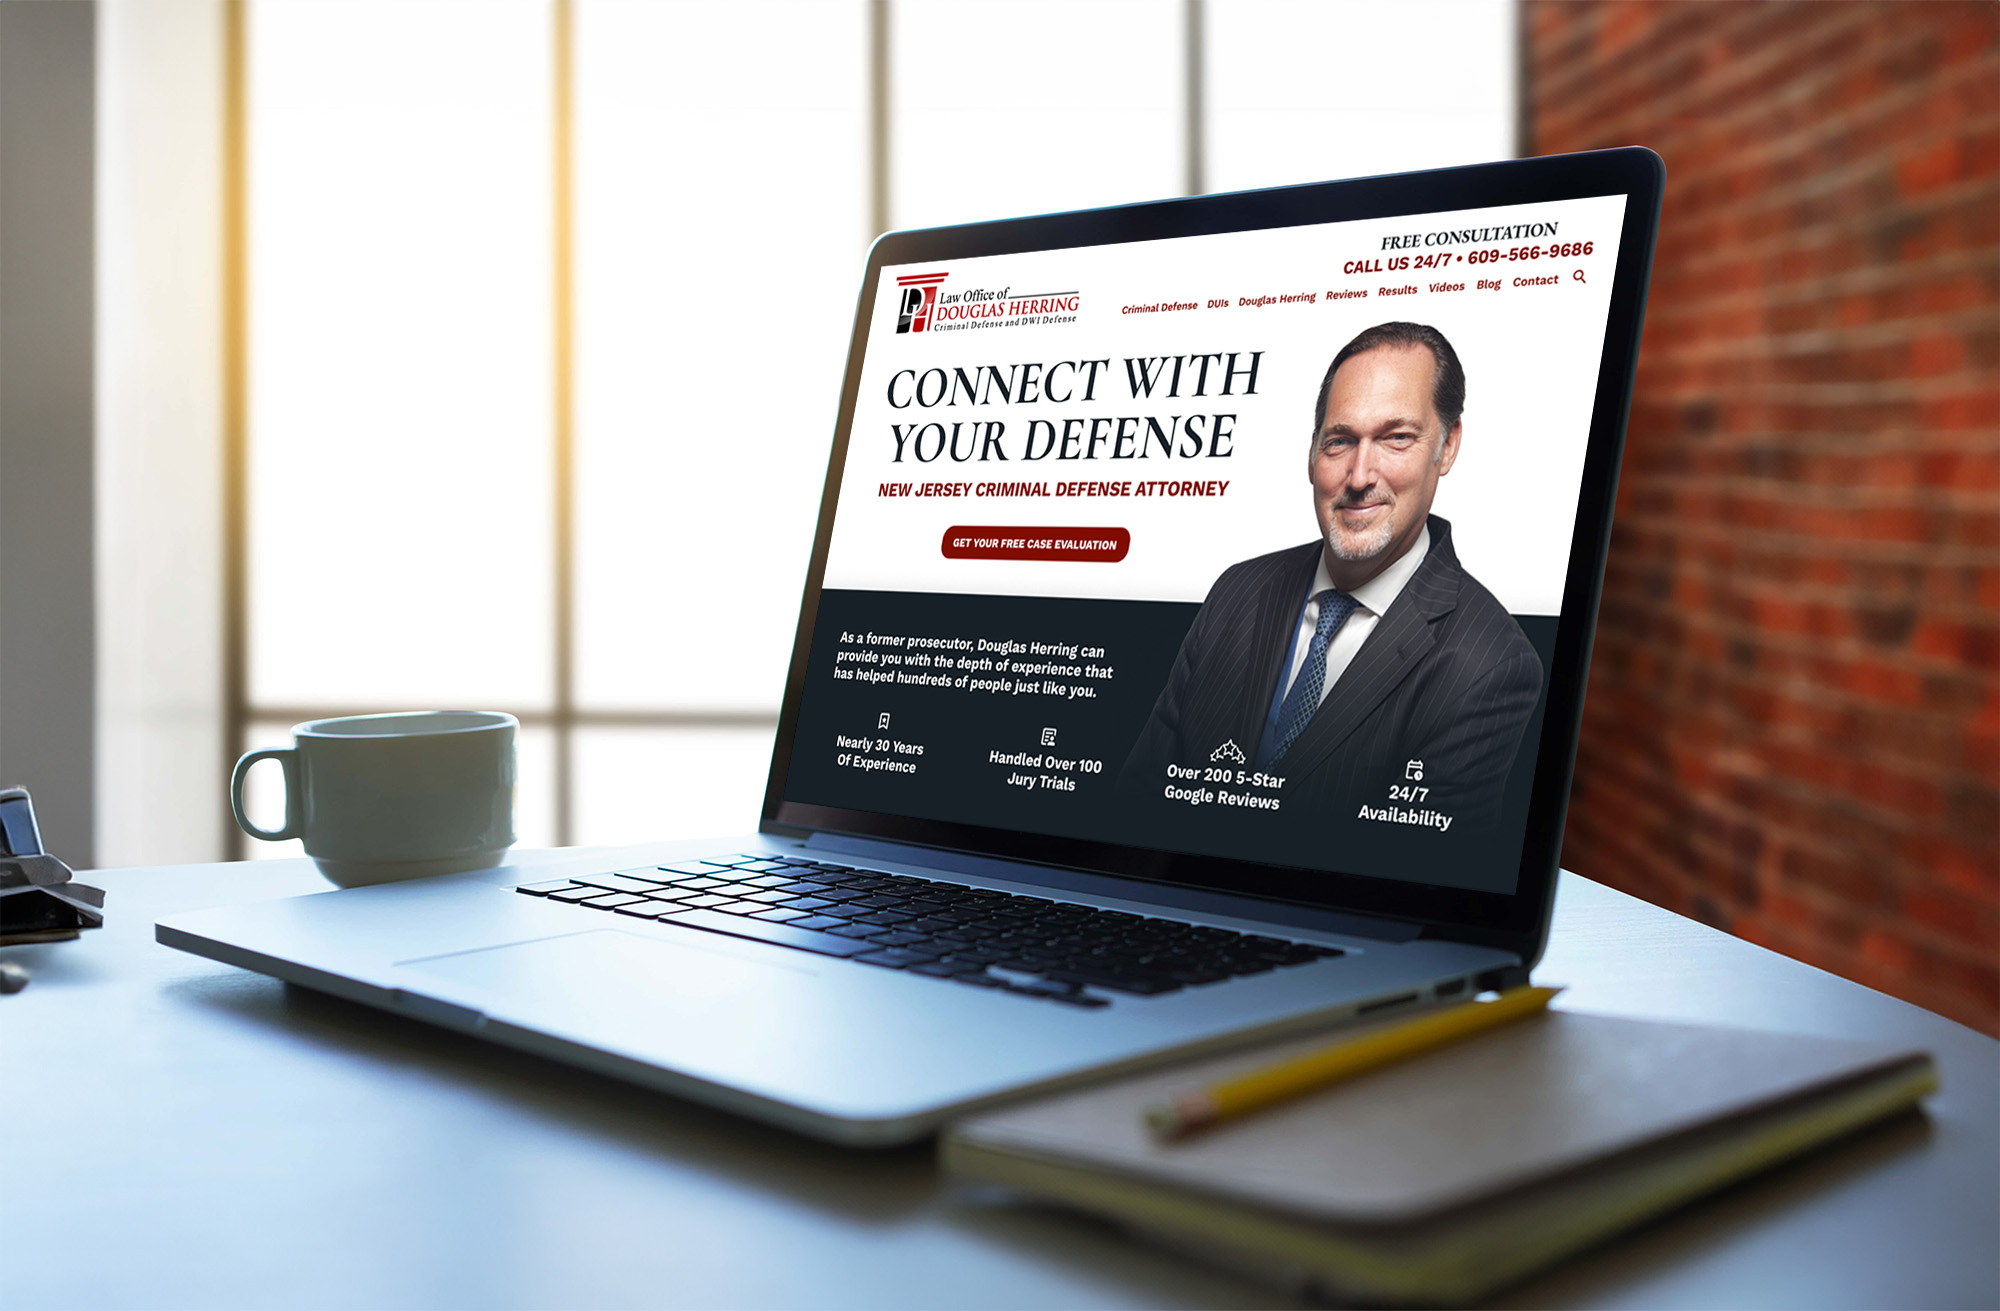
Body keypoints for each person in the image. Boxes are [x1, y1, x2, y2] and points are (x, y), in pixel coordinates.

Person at [1122, 322, 1542, 836]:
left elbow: (1417, 869)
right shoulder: (1237, 591)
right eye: (1340, 441)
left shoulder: (1491, 663)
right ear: (1312, 453)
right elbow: (1136, 807)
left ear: (1448, 445)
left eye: (1396, 438)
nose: (1360, 476)